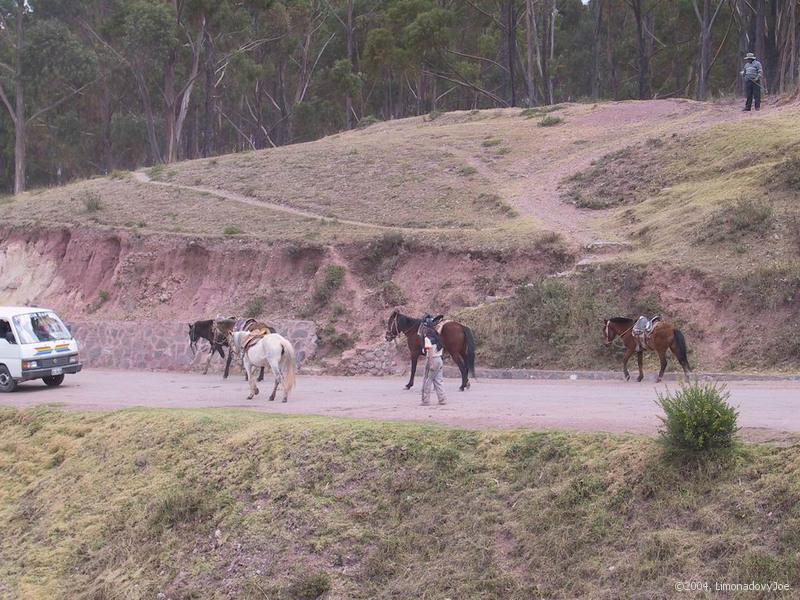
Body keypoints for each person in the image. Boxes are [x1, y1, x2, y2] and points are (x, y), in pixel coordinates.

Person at [419, 315, 446, 406]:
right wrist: (442, 325)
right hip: (439, 359)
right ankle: (442, 399)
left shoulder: (427, 338)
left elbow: (430, 351)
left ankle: (425, 401)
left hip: (432, 360)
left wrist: (430, 364)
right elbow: (438, 330)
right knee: (439, 380)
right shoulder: (437, 336)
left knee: (427, 380)